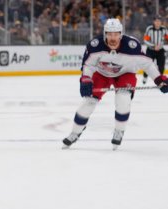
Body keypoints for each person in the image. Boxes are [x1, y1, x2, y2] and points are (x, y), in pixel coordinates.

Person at [62, 18, 168, 150]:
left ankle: (119, 131)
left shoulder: (131, 46)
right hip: (102, 74)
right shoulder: (95, 45)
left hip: (125, 74)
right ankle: (75, 132)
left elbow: (147, 64)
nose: (113, 38)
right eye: (110, 34)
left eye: (116, 34)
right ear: (105, 33)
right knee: (88, 102)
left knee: (123, 99)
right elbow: (88, 65)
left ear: (121, 34)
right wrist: (86, 79)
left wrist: (159, 80)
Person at [142, 15, 168, 84]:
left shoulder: (164, 29)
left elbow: (167, 38)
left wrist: (160, 45)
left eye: (159, 21)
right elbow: (145, 40)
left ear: (161, 22)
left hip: (160, 50)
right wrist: (154, 46)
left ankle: (161, 80)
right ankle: (145, 76)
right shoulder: (149, 29)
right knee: (147, 64)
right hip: (150, 50)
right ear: (154, 22)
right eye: (156, 21)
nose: (158, 22)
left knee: (161, 66)